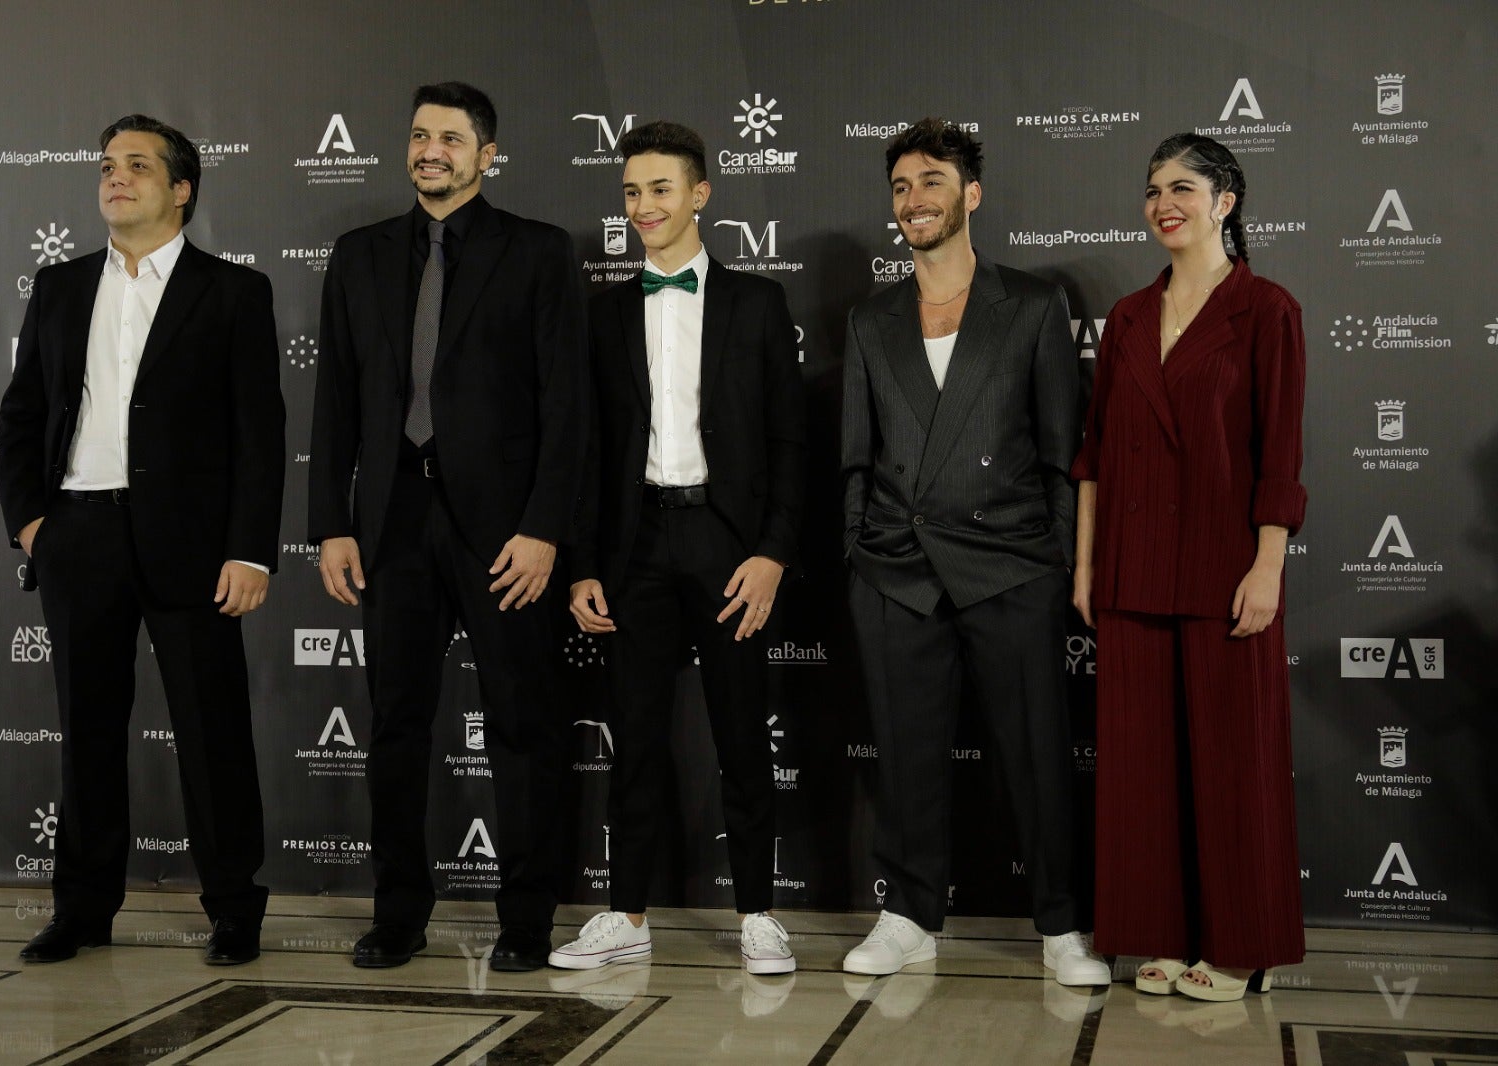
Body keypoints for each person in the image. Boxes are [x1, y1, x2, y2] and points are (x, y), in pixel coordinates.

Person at [308, 82, 588, 972]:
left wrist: (545, 526)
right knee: (394, 723)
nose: (432, 150)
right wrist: (332, 525)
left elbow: (568, 406)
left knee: (522, 725)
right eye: (421, 134)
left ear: (487, 154)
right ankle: (398, 915)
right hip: (391, 522)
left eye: (452, 139)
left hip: (505, 532)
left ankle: (527, 920)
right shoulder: (358, 255)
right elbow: (336, 401)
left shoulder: (539, 253)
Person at [0, 114, 284, 966]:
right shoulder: (58, 287)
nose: (115, 178)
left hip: (194, 547)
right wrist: (33, 525)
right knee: (86, 731)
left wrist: (251, 548)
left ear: (182, 188)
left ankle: (235, 907)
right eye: (107, 166)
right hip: (77, 535)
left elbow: (259, 436)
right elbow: (19, 419)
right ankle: (82, 907)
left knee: (213, 728)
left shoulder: (234, 292)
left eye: (137, 166)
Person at [840, 118, 1109, 985]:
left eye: (931, 181)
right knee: (905, 752)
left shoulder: (1030, 304)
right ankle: (910, 913)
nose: (914, 199)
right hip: (897, 570)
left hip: (1010, 566)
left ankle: (1063, 925)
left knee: (1036, 756)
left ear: (971, 194)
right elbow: (856, 455)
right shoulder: (871, 317)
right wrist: (860, 560)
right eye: (902, 187)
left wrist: (1065, 569)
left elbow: (1065, 452)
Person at [548, 121, 806, 976]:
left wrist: (771, 551)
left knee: (741, 733)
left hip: (726, 542)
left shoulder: (759, 303)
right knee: (637, 741)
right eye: (631, 192)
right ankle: (626, 914)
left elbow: (788, 443)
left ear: (700, 194)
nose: (643, 206)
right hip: (633, 548)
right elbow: (583, 451)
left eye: (660, 189)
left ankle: (760, 917)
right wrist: (583, 562)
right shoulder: (602, 314)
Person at [1071, 132, 1306, 1003]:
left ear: (1225, 202)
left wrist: (1267, 566)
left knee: (1233, 765)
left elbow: (1279, 449)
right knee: (1142, 769)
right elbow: (1093, 453)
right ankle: (1156, 936)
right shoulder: (1130, 315)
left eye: (1182, 187)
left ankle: (1242, 948)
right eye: (1152, 189)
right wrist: (1086, 569)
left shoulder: (1267, 308)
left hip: (1224, 571)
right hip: (1131, 573)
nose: (1163, 202)